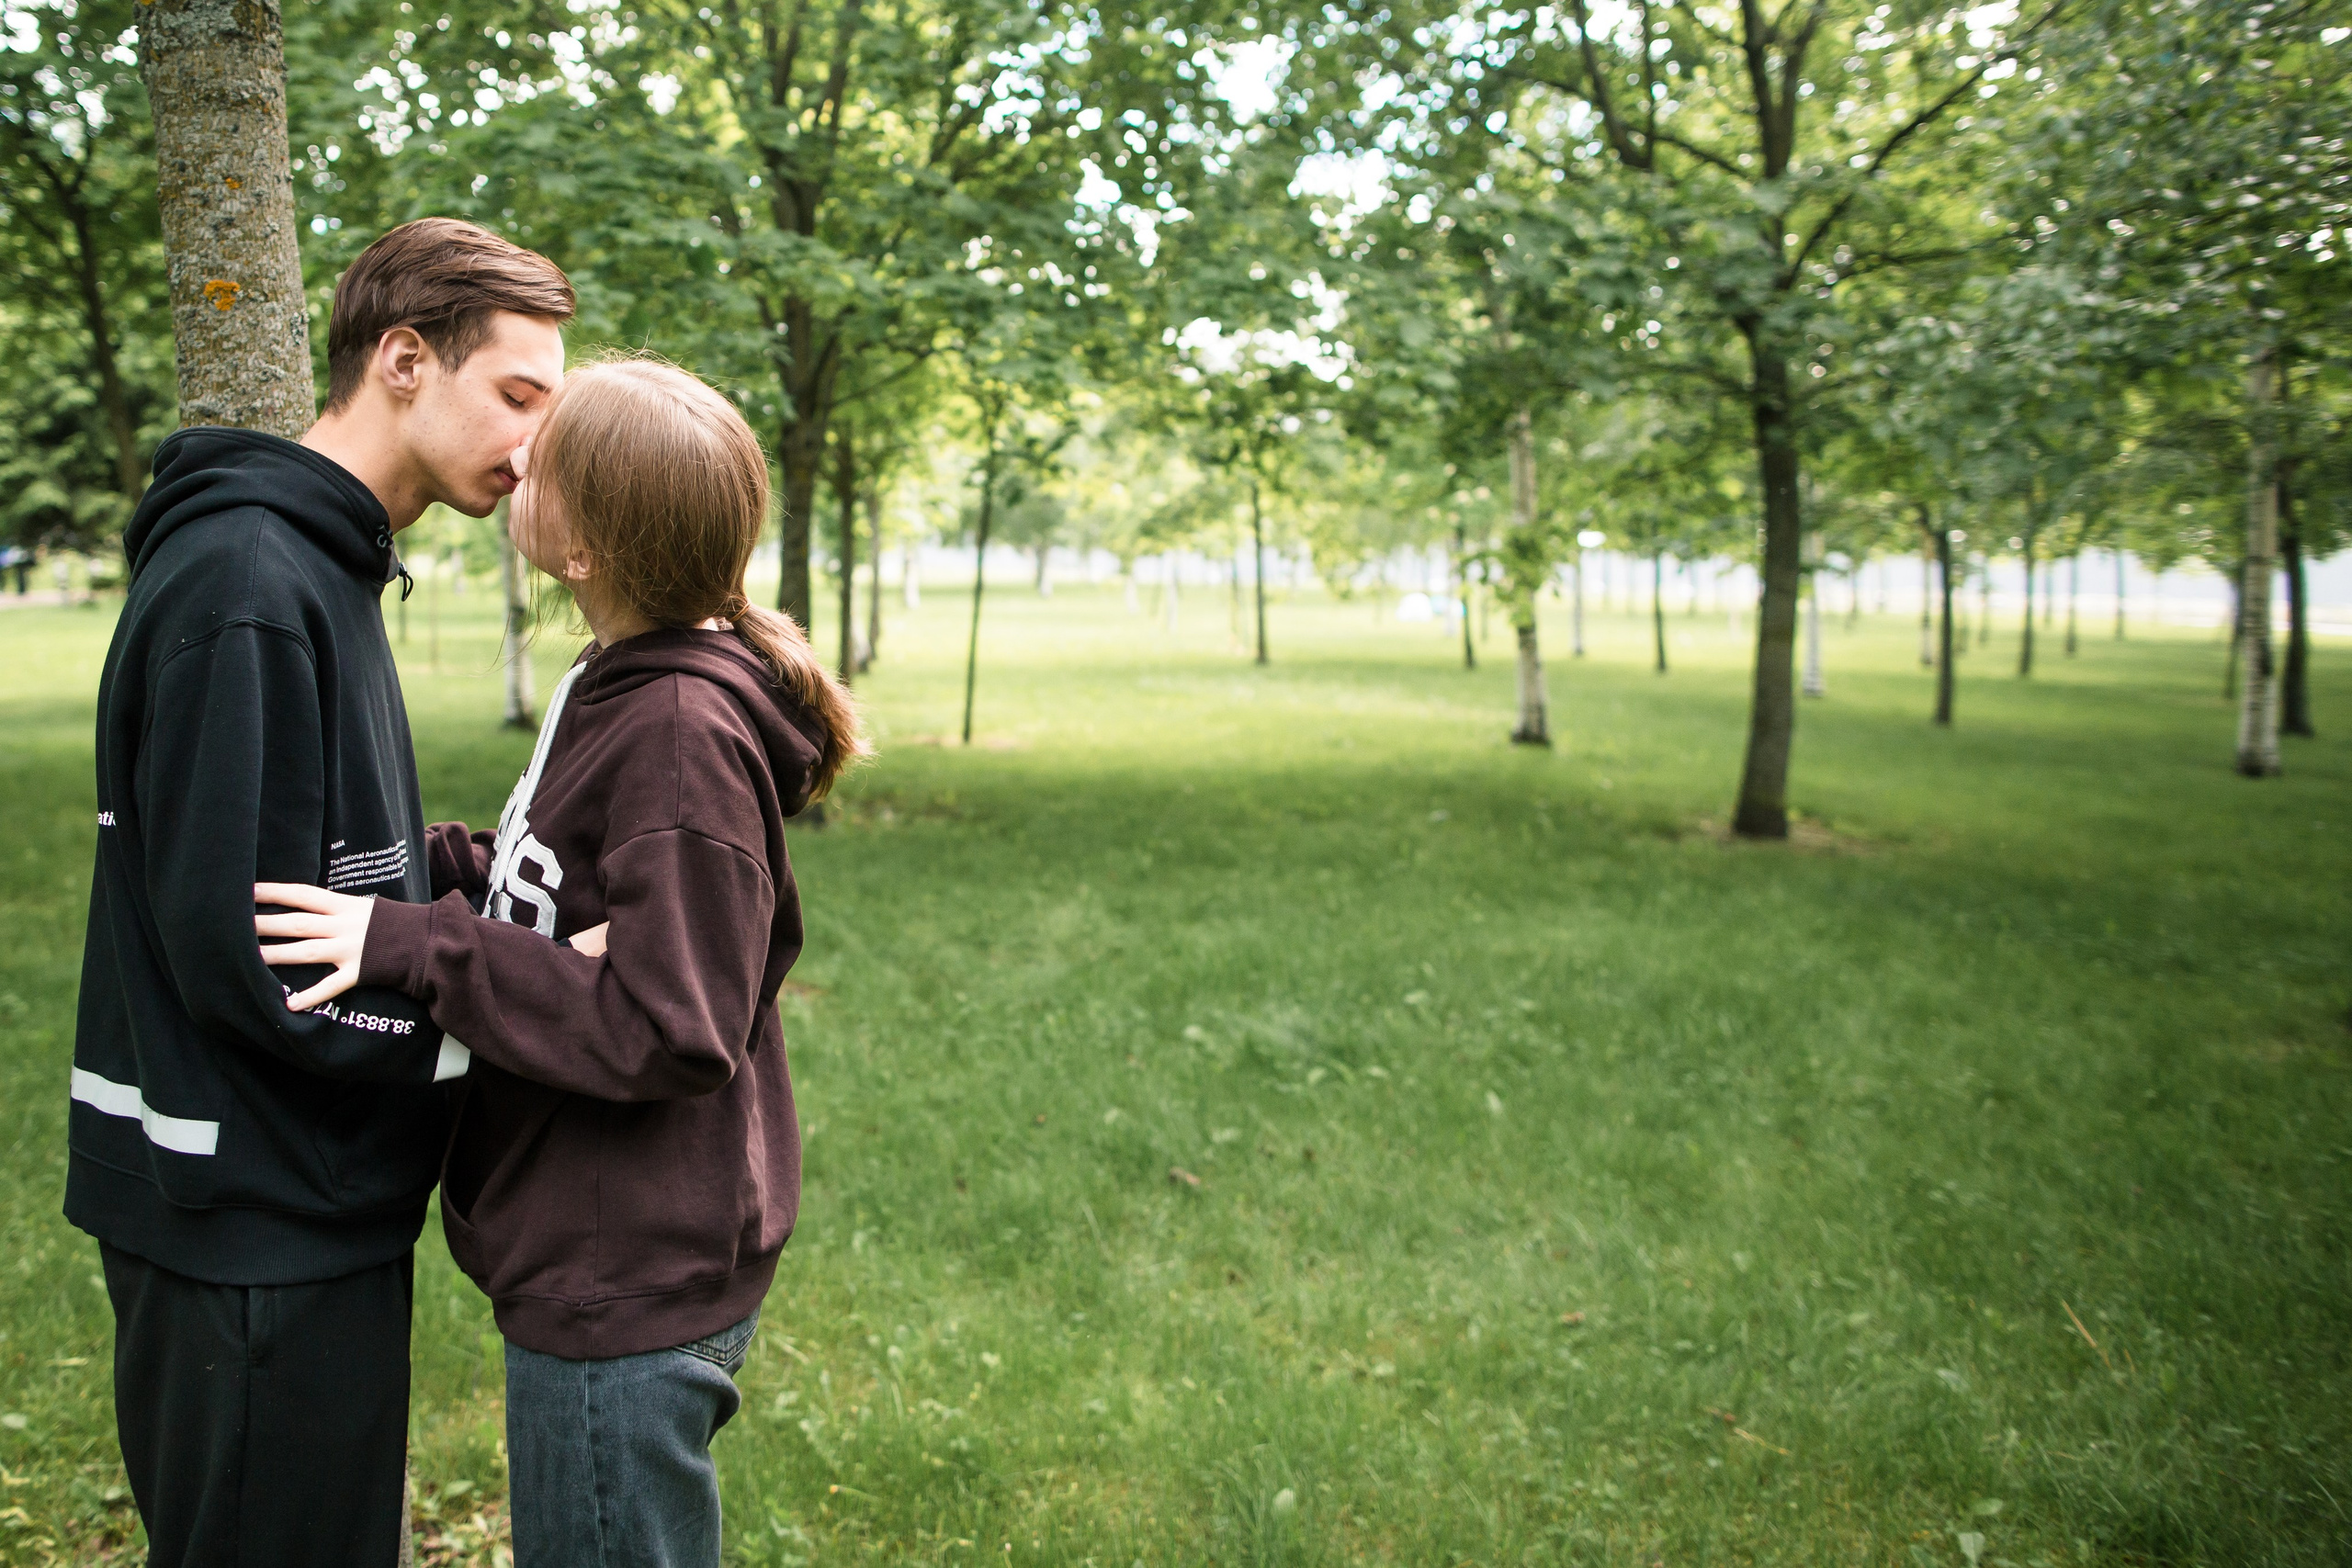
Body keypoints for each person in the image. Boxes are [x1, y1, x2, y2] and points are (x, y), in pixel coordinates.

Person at [254, 357, 867, 1566]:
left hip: (623, 1274)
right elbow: (551, 877)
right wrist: (416, 864)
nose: (519, 453)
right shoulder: (614, 674)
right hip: (591, 1249)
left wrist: (418, 943)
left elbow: (669, 1024)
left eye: (551, 455)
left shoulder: (678, 733)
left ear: (584, 549)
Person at [66, 219, 573, 1567]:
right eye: (517, 394)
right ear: (404, 361)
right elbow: (245, 948)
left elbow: (327, 864)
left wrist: (490, 877)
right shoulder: (249, 582)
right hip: (247, 1222)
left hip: (302, 1203)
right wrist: (513, 1016)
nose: (537, 446)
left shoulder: (325, 561)